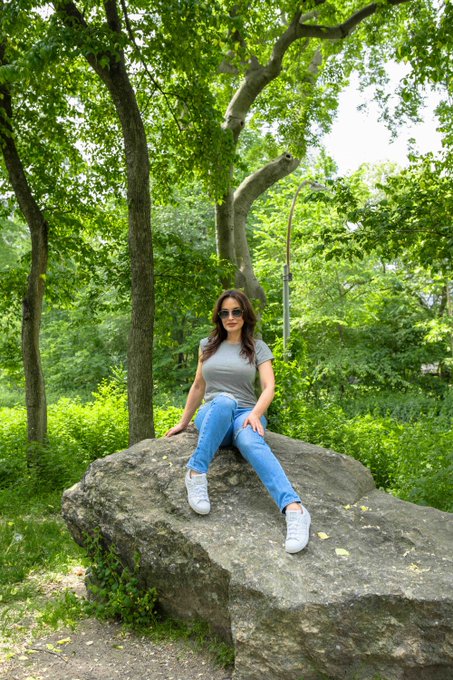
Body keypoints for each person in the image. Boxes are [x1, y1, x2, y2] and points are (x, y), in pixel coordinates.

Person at [165, 289, 310, 553]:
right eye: (224, 313)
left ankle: (294, 509)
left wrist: (255, 414)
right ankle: (196, 473)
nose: (230, 317)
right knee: (224, 400)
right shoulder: (206, 345)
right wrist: (183, 422)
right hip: (214, 415)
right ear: (218, 317)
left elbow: (268, 387)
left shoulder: (257, 347)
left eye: (236, 312)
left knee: (250, 441)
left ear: (245, 314)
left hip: (245, 415)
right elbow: (198, 386)